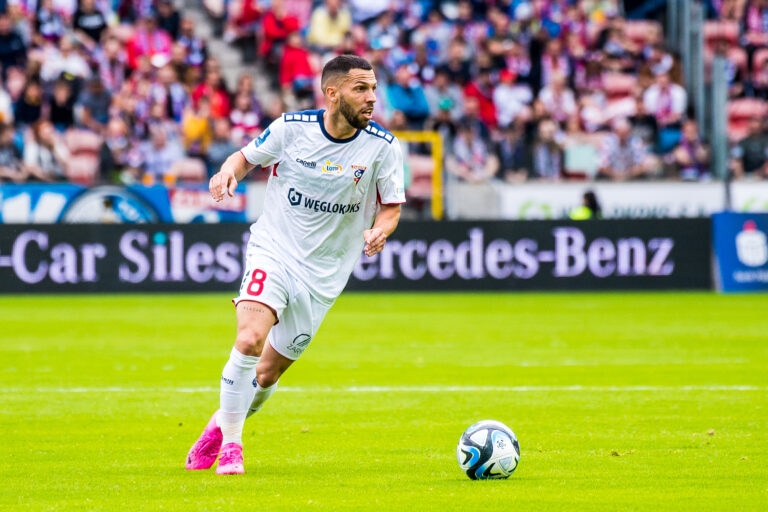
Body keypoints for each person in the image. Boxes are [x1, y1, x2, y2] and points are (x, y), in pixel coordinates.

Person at [186, 55, 405, 475]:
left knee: (266, 374)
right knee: (249, 339)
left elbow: (391, 208)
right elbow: (245, 157)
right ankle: (232, 448)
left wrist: (381, 229)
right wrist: (226, 172)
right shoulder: (292, 128)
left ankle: (219, 424)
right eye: (361, 89)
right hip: (274, 249)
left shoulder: (383, 147)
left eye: (374, 88)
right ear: (332, 92)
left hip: (323, 276)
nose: (372, 98)